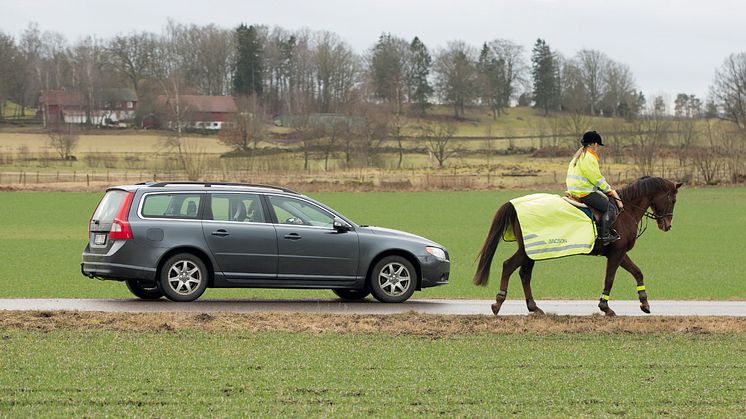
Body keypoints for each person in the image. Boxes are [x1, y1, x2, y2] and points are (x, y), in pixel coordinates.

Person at [566, 130, 623, 245]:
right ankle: (605, 236)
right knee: (610, 208)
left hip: (574, 190)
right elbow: (596, 178)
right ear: (592, 144)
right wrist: (608, 190)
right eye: (597, 144)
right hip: (584, 192)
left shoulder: (579, 155)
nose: (597, 147)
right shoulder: (589, 157)